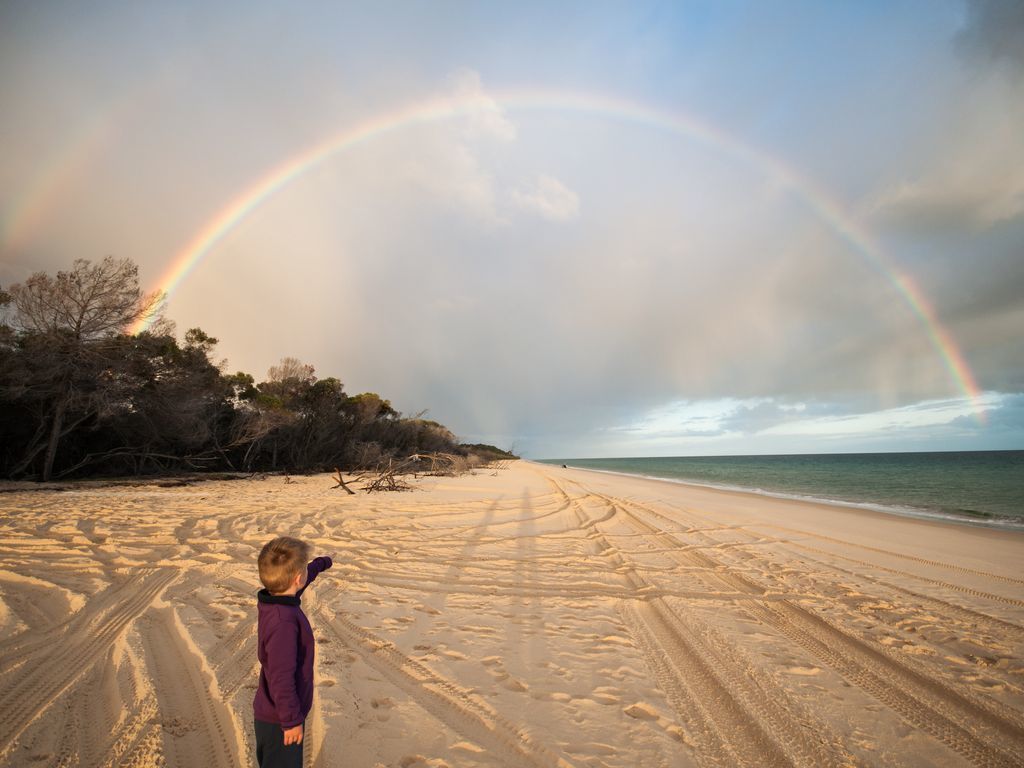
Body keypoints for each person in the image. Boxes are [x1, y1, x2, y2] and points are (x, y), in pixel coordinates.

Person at [253, 536, 333, 768]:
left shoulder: (275, 600)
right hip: (280, 719)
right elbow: (281, 677)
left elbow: (302, 580)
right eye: (304, 569)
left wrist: (323, 563)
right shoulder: (284, 624)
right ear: (297, 579)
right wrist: (290, 722)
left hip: (278, 712)